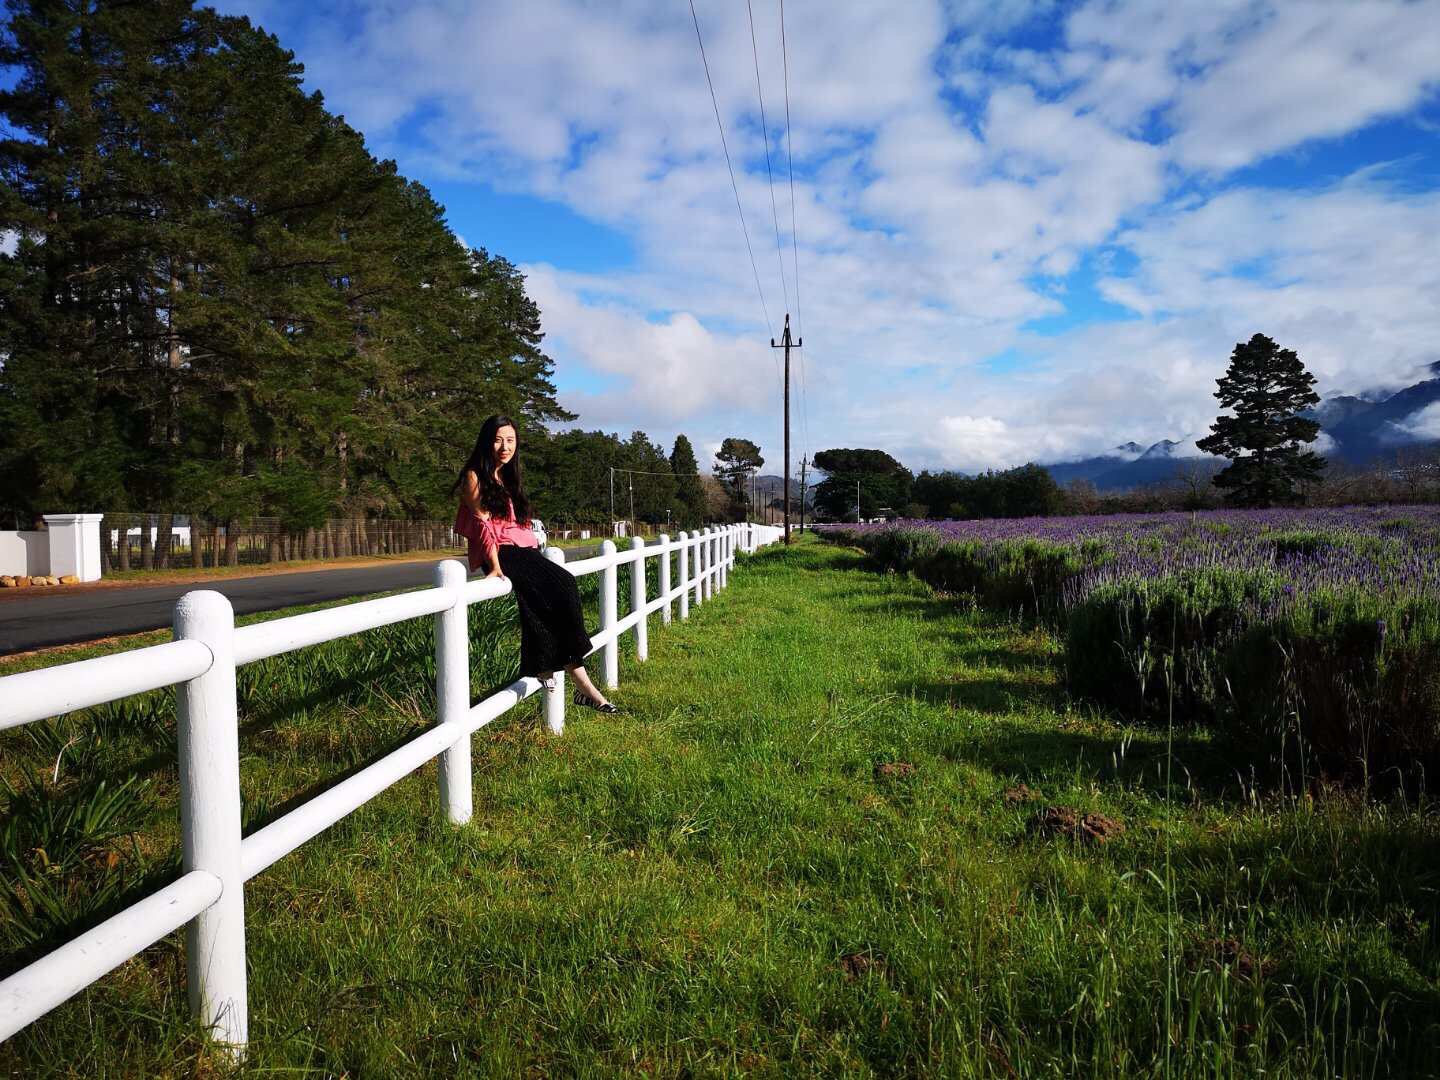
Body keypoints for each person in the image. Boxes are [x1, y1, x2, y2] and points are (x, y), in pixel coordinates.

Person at [453, 415, 617, 714]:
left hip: (523, 549)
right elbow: (482, 526)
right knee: (563, 585)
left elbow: (517, 522)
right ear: (486, 440)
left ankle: (559, 676)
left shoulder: (507, 476)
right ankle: (580, 685)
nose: (505, 446)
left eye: (511, 440)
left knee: (539, 606)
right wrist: (494, 566)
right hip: (504, 552)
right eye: (499, 439)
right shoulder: (474, 476)